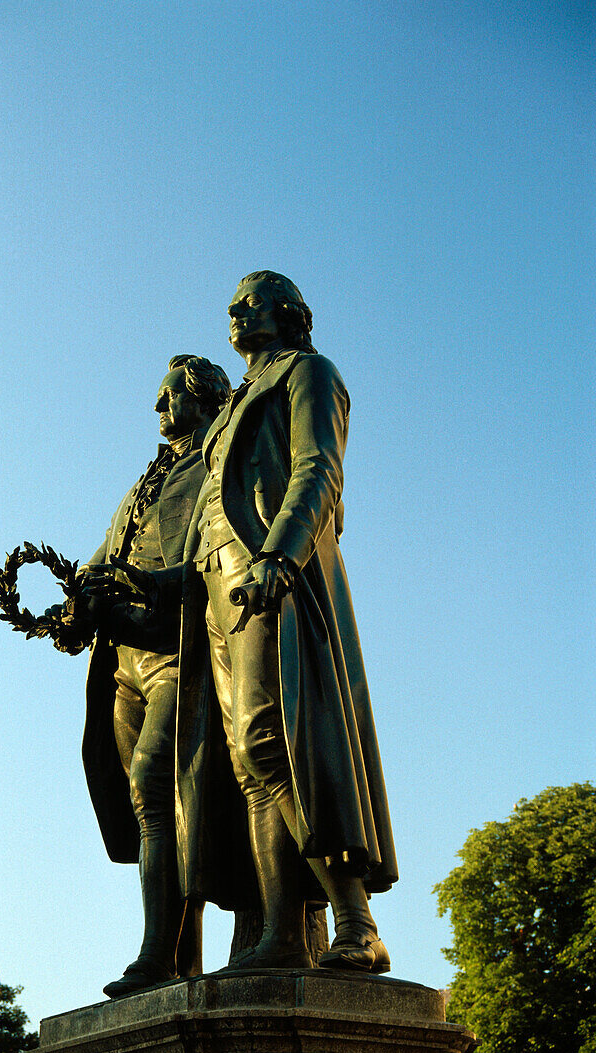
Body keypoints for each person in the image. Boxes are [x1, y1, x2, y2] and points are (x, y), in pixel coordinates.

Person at [152, 272, 398, 972]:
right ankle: (281, 935)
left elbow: (318, 469)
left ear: (291, 313)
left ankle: (356, 922)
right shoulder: (225, 415)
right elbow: (209, 520)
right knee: (246, 761)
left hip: (267, 575)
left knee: (279, 740)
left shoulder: (309, 374)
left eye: (251, 300)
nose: (234, 311)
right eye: (229, 303)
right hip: (217, 591)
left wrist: (280, 558)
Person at [71, 355, 232, 997]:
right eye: (159, 398)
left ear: (206, 398)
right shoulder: (143, 484)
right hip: (124, 663)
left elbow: (220, 554)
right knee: (153, 809)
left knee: (154, 787)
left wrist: (154, 587)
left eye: (171, 396)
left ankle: (155, 955)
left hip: (180, 652)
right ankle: (175, 957)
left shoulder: (218, 465)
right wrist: (74, 601)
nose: (160, 409)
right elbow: (105, 555)